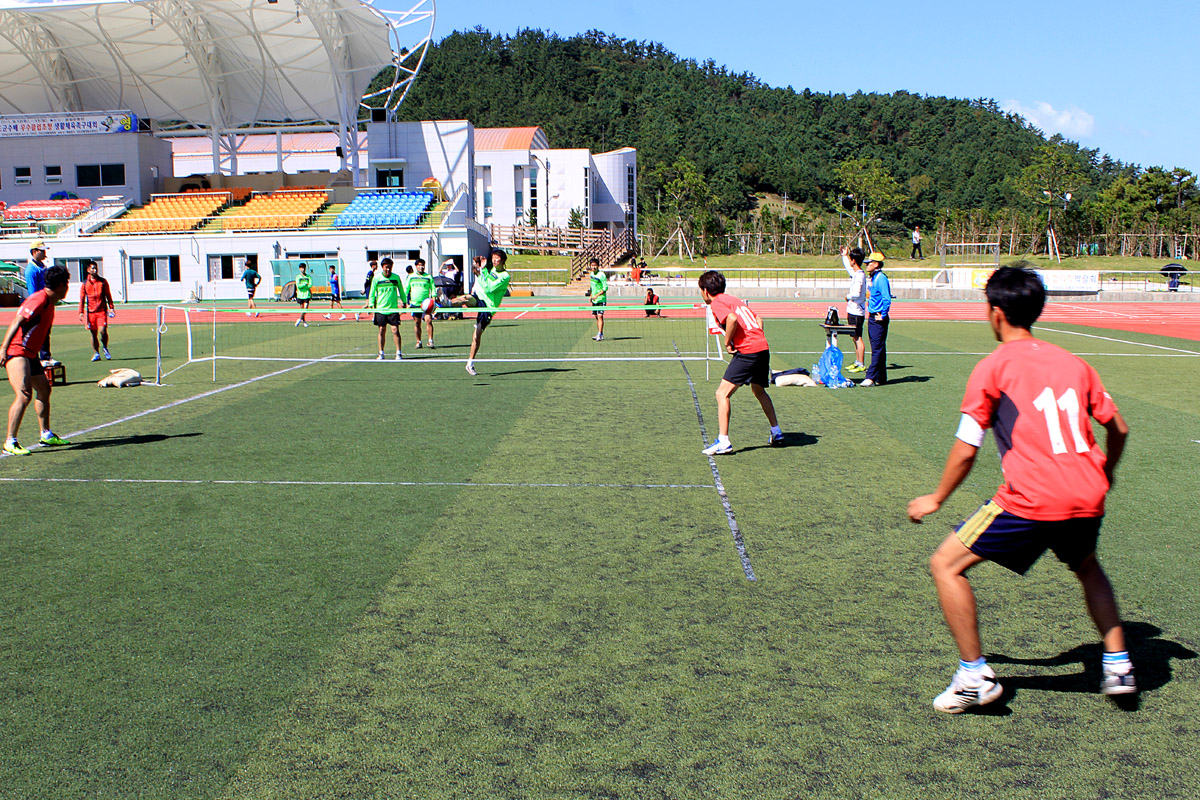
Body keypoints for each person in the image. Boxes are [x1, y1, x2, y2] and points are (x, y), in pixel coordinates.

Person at [908, 265, 1134, 712]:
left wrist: (936, 498)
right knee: (1086, 565)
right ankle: (1119, 664)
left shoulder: (993, 367)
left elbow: (967, 447)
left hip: (1031, 498)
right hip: (1087, 493)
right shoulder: (1074, 363)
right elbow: (1119, 428)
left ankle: (974, 678)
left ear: (995, 313)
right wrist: (1105, 472)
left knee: (946, 565)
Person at [697, 270, 783, 454]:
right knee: (758, 390)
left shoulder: (717, 303)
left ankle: (723, 441)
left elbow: (732, 319)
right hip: (762, 348)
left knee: (722, 394)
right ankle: (776, 431)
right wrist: (755, 337)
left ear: (705, 291)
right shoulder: (734, 300)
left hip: (748, 352)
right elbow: (758, 319)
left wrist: (728, 342)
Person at [2, 265, 72, 455]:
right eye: (66, 283)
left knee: (44, 389)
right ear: (59, 285)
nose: (67, 287)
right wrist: (3, 349)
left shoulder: (49, 302)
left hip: (29, 353)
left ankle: (46, 435)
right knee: (24, 394)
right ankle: (10, 441)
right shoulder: (39, 299)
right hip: (17, 351)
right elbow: (17, 320)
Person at [450, 249, 511, 376]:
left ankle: (470, 363)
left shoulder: (505, 276)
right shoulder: (491, 270)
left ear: (503, 260)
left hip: (488, 307)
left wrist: (482, 271)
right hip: (479, 298)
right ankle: (445, 303)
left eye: (497, 258)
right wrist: (477, 265)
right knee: (467, 298)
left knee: (476, 336)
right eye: (493, 258)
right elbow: (481, 276)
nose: (494, 260)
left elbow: (489, 288)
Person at [861, 252, 891, 387]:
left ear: (876, 264)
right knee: (879, 348)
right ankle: (881, 377)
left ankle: (871, 377)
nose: (867, 265)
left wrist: (883, 314)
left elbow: (887, 298)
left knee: (877, 348)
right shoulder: (874, 278)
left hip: (878, 317)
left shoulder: (881, 279)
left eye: (870, 263)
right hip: (873, 316)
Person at [368, 257, 405, 360]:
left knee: (395, 330)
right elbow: (372, 292)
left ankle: (398, 353)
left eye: (389, 267)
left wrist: (404, 301)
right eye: (386, 267)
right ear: (382, 267)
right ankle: (381, 353)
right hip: (381, 310)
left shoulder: (396, 278)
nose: (388, 270)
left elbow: (401, 290)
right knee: (381, 330)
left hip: (393, 309)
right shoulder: (377, 278)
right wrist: (371, 304)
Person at [78, 260, 115, 361]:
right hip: (91, 313)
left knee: (102, 331)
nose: (94, 270)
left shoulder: (102, 282)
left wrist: (111, 308)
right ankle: (96, 353)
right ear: (88, 270)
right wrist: (81, 312)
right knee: (93, 333)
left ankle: (105, 348)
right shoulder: (85, 283)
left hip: (101, 311)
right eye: (92, 268)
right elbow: (82, 298)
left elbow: (108, 295)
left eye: (96, 268)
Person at [24, 240, 52, 361]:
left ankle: (46, 356)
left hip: (46, 303)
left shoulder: (42, 267)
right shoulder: (31, 270)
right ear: (34, 252)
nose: (44, 253)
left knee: (46, 331)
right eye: (42, 251)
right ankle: (42, 357)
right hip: (39, 305)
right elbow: (32, 292)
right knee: (39, 332)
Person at [841, 246, 867, 372]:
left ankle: (861, 363)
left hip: (857, 311)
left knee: (858, 337)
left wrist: (848, 296)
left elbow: (856, 293)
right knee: (854, 337)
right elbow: (848, 268)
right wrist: (844, 255)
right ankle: (857, 361)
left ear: (854, 261)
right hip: (852, 310)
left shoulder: (860, 275)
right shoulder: (856, 273)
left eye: (850, 259)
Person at [408, 258, 435, 348]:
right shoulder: (411, 277)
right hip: (415, 304)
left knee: (428, 320)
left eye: (423, 265)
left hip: (426, 304)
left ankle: (430, 341)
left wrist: (433, 300)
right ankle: (418, 341)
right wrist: (405, 301)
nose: (421, 267)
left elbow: (433, 289)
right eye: (419, 265)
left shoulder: (428, 277)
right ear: (416, 266)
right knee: (417, 323)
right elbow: (406, 289)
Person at [588, 257, 607, 341]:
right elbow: (592, 286)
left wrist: (597, 295)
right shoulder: (591, 274)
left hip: (601, 299)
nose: (593, 267)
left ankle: (599, 333)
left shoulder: (601, 275)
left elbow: (605, 288)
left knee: (600, 316)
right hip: (594, 300)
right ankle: (600, 333)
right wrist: (591, 295)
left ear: (598, 266)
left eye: (595, 265)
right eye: (592, 265)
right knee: (596, 316)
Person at [293, 263, 311, 327]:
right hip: (300, 295)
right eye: (301, 268)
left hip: (307, 295)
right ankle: (304, 321)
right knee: (302, 309)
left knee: (305, 309)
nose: (302, 269)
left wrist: (305, 286)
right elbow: (299, 286)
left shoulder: (308, 277)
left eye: (303, 267)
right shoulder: (298, 277)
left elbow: (310, 285)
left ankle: (300, 319)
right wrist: (304, 285)